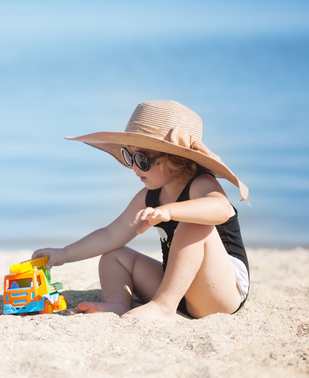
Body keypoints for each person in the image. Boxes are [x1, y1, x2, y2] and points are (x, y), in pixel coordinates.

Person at [33, 100, 250, 321]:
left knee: (193, 223)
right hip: (178, 287)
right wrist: (64, 254)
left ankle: (164, 307)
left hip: (220, 293)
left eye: (142, 160)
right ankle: (118, 303)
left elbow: (222, 209)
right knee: (114, 256)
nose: (135, 168)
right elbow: (111, 234)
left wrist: (169, 211)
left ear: (174, 159)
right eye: (129, 157)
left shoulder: (201, 184)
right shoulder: (150, 196)